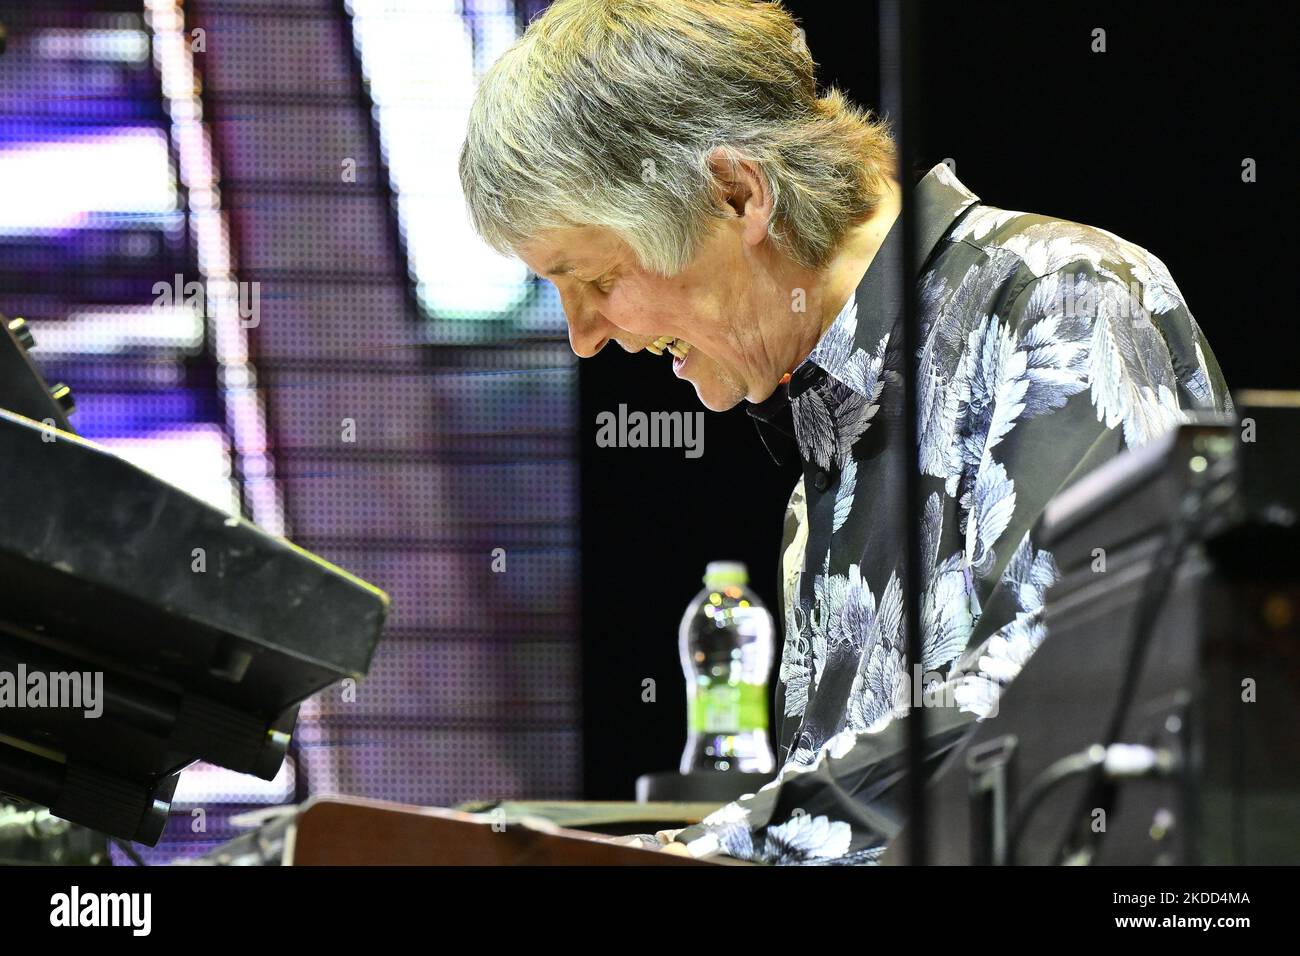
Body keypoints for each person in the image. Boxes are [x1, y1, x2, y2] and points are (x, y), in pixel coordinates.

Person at [458, 0, 1230, 863]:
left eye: (597, 276)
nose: (584, 336)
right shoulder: (827, 452)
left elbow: (1053, 694)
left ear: (736, 194)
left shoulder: (1065, 299)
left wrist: (699, 855)